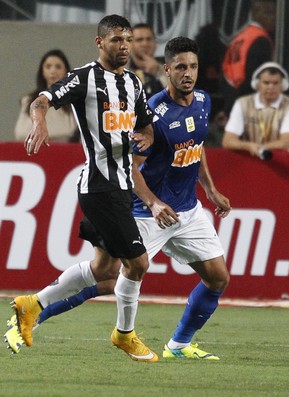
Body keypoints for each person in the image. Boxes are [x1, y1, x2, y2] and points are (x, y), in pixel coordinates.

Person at [6, 36, 231, 361]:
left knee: (217, 278)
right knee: (106, 277)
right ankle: (33, 314)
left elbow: (196, 148)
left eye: (193, 66)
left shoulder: (204, 101)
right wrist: (153, 203)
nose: (188, 73)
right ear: (166, 69)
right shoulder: (152, 113)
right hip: (146, 212)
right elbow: (131, 167)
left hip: (187, 212)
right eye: (181, 66)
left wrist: (209, 188)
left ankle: (178, 346)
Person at [5, 14, 158, 363]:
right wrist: (40, 120)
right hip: (100, 187)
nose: (123, 46)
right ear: (100, 42)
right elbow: (41, 99)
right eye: (116, 39)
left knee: (104, 270)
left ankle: (34, 303)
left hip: (121, 187)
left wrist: (146, 136)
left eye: (127, 40)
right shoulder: (84, 78)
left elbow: (146, 125)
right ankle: (124, 334)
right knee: (138, 265)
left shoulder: (134, 84)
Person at [222, 62, 289, 156]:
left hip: (283, 160)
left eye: (275, 83)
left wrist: (255, 148)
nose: (271, 87)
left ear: (282, 85)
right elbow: (228, 141)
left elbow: (285, 143)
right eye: (266, 83)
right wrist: (249, 146)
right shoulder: (242, 103)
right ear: (257, 84)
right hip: (251, 159)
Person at [221, 0, 276, 114]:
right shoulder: (260, 40)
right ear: (255, 13)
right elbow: (258, 76)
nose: (273, 18)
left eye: (274, 13)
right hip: (247, 100)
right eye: (268, 13)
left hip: (231, 93)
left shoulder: (240, 36)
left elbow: (225, 69)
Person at [14, 49, 79, 142]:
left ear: (66, 71)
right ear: (42, 71)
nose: (53, 71)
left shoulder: (74, 101)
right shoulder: (28, 100)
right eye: (48, 67)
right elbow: (20, 134)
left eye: (58, 67)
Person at [127, 23, 167, 98]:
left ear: (155, 43)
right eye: (139, 40)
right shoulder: (120, 71)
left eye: (149, 39)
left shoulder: (170, 71)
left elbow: (178, 99)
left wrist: (158, 73)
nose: (145, 44)